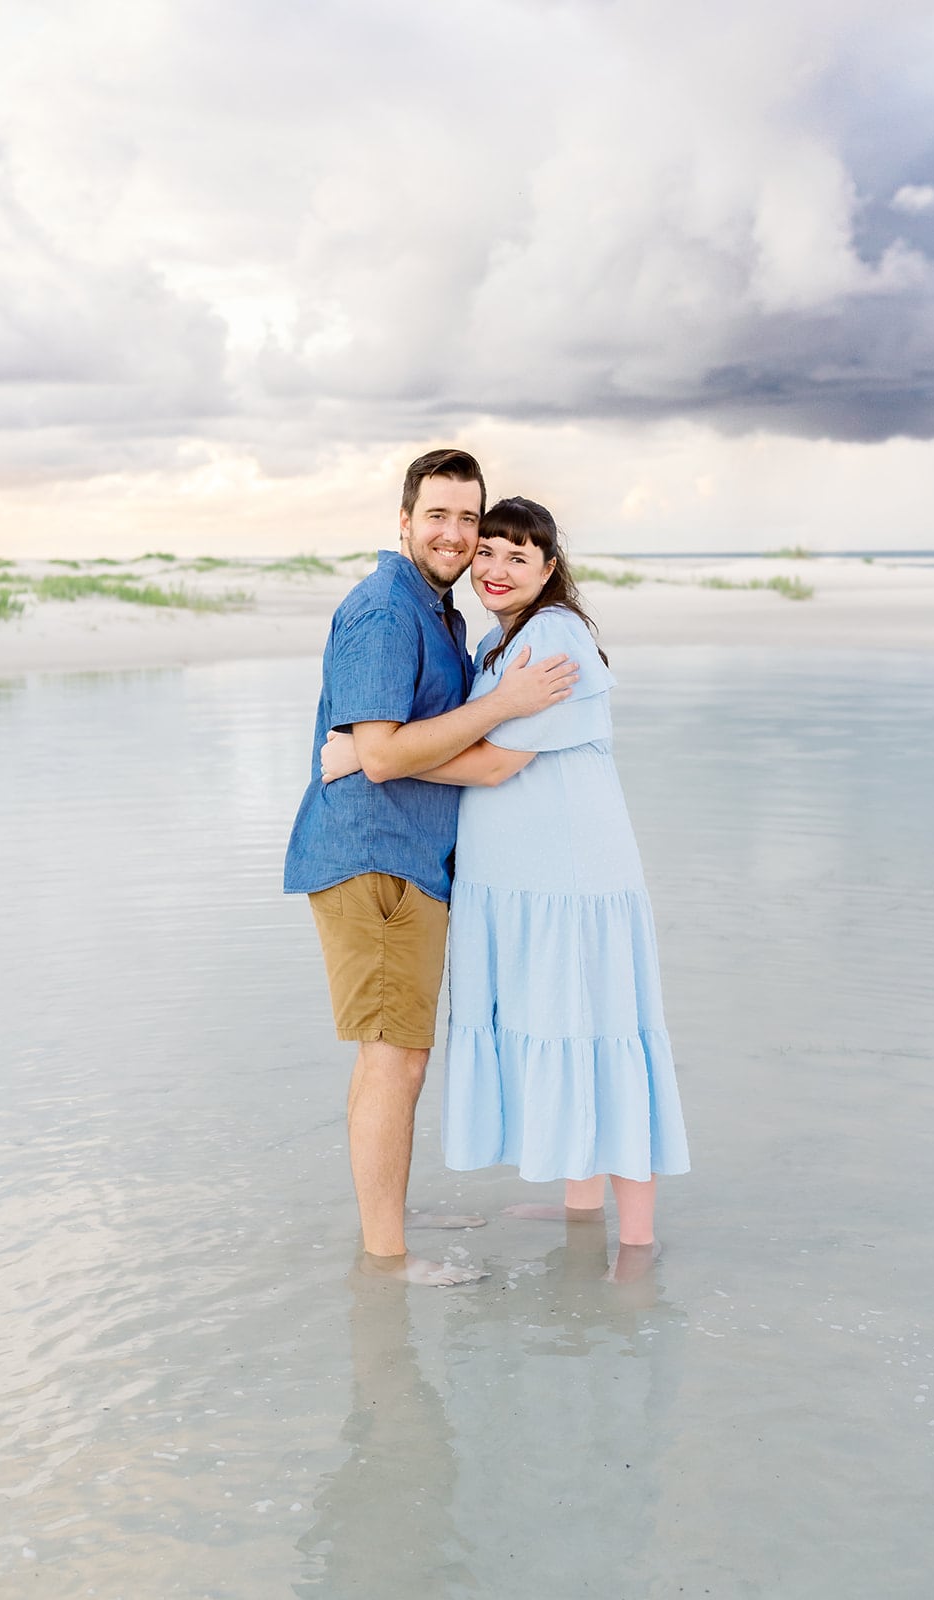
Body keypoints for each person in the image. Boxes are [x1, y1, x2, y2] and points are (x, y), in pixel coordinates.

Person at [322, 496, 689, 1266]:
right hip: (531, 885)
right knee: (569, 1027)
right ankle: (581, 1209)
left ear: (549, 570)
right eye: (485, 551)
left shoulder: (550, 635)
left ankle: (634, 1247)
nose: (491, 566)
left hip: (568, 885)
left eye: (515, 557)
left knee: (600, 1033)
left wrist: (370, 755)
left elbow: (496, 763)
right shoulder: (500, 641)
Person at [283, 454, 580, 1287]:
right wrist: (503, 706)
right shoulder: (386, 612)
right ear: (404, 521)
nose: (456, 535)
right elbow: (378, 758)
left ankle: (390, 1216)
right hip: (375, 858)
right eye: (438, 515)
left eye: (468, 520)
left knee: (391, 1054)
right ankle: (387, 1257)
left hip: (405, 860)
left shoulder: (433, 611)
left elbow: (383, 748)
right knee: (395, 1056)